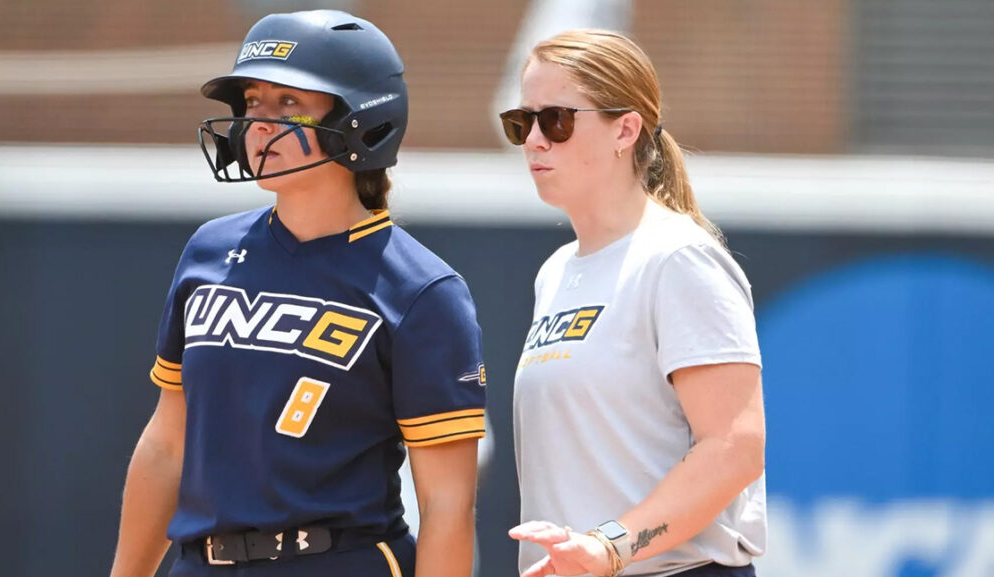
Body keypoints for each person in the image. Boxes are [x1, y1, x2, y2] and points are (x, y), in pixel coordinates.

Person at [110, 10, 486, 577]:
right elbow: (167, 445)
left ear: (362, 120)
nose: (259, 124)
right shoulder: (209, 250)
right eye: (253, 102)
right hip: (198, 563)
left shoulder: (422, 290)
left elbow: (447, 506)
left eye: (288, 103)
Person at [500, 29, 766, 577]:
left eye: (557, 120)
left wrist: (609, 545)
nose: (534, 141)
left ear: (625, 129)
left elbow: (735, 445)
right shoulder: (556, 272)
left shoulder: (677, 258)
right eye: (522, 123)